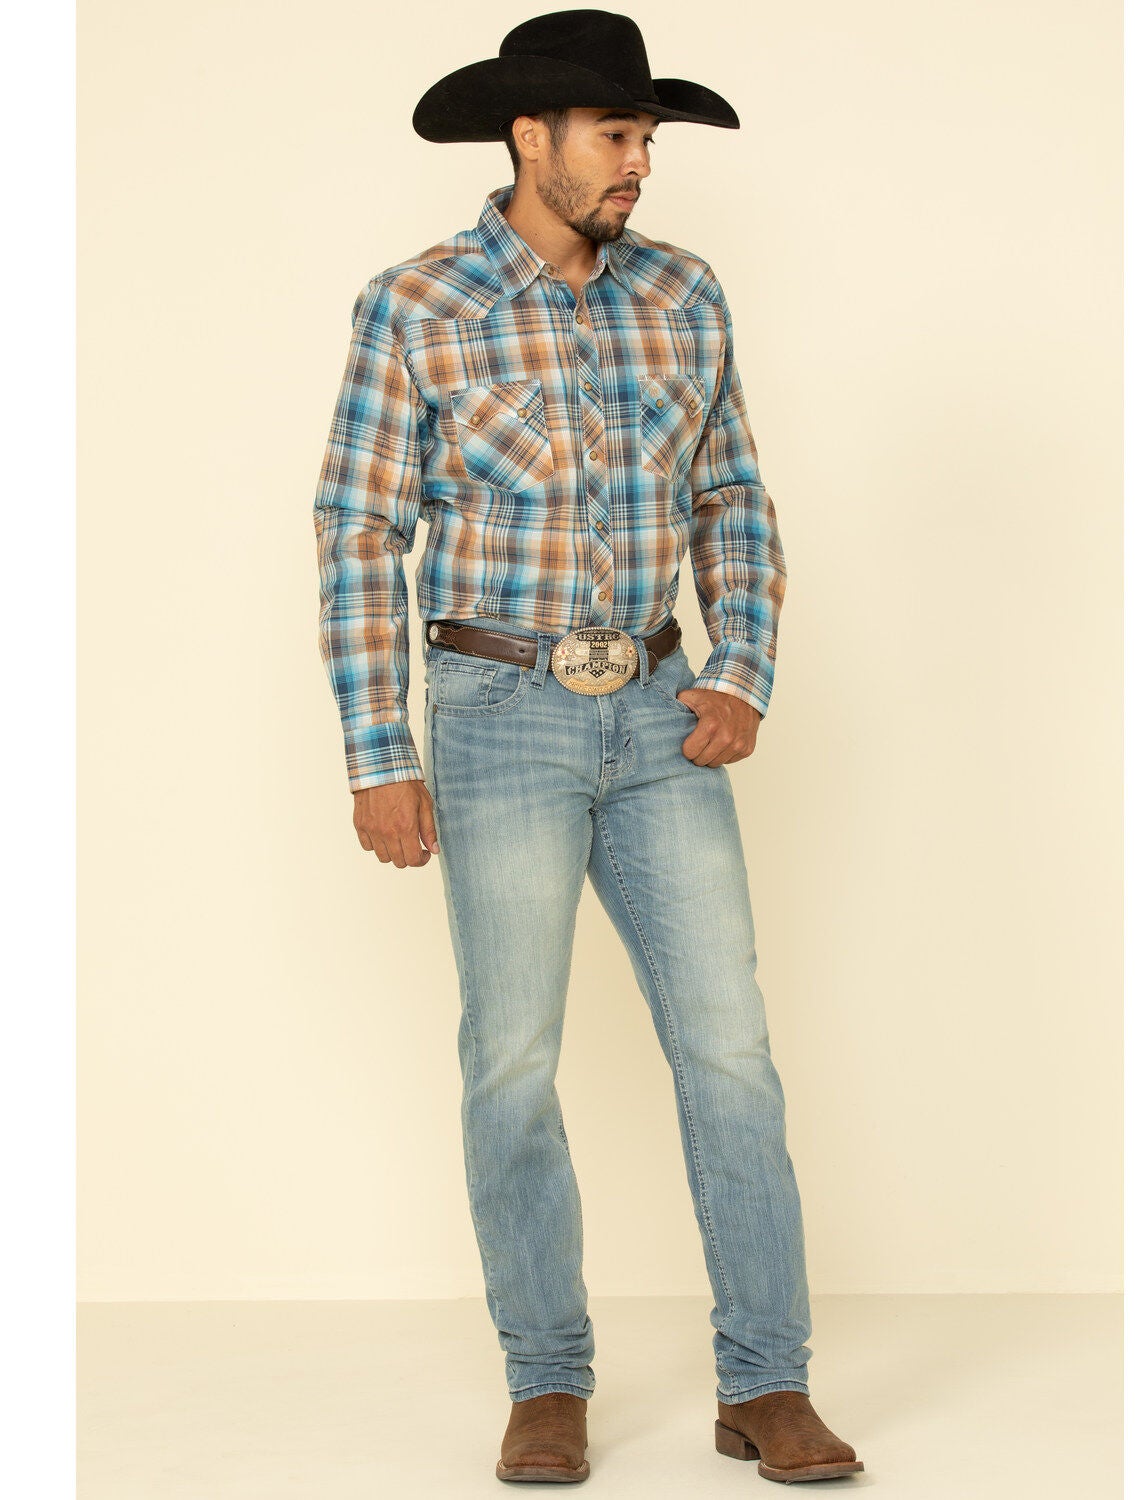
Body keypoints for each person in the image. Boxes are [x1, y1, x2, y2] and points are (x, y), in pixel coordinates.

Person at [312, 7, 864, 1486]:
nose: (640, 164)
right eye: (617, 136)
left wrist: (739, 670)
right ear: (530, 137)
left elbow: (731, 497)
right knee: (512, 1061)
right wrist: (378, 754)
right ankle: (545, 1379)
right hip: (496, 718)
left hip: (664, 711)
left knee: (731, 1053)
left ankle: (768, 1381)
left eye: (647, 137)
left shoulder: (683, 291)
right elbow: (360, 531)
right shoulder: (416, 303)